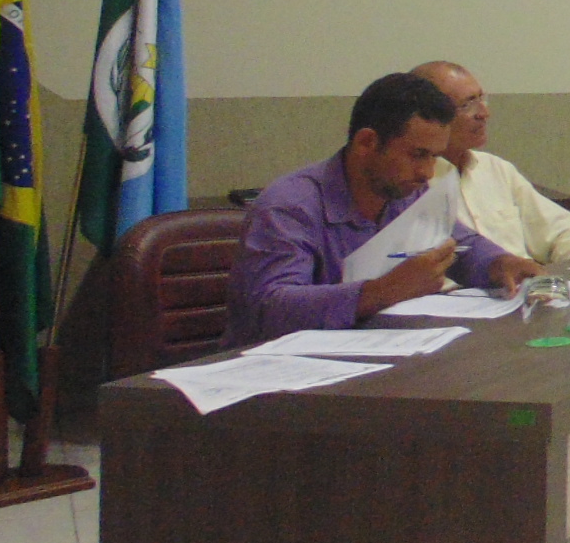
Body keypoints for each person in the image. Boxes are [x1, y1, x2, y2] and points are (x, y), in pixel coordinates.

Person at [228, 72, 542, 344]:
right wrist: (382, 291)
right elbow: (270, 307)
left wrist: (500, 263)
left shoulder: (405, 192)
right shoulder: (289, 206)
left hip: (372, 354)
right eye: (417, 155)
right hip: (279, 376)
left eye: (434, 156)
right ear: (367, 143)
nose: (427, 172)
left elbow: (459, 244)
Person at [411, 59, 570, 263]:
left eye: (482, 99)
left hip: (524, 279)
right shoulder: (412, 182)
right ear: (429, 117)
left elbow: (565, 231)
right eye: (467, 105)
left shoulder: (495, 169)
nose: (484, 114)